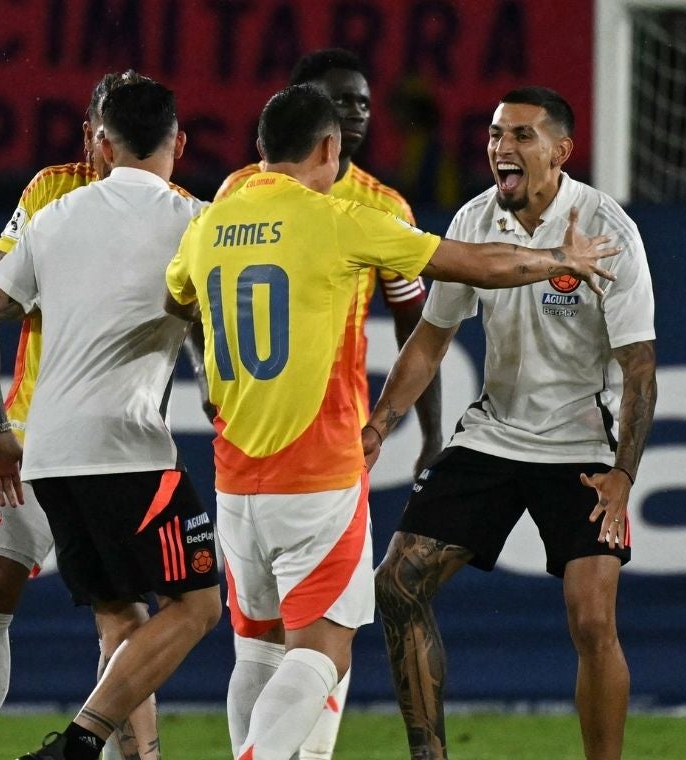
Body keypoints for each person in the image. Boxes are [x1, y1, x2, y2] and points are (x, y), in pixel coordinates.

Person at [163, 84, 619, 760]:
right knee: (325, 645)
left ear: (261, 151)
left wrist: (212, 380)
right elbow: (473, 265)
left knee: (257, 644)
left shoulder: (207, 225)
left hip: (234, 475)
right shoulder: (337, 217)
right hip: (315, 471)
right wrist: (562, 260)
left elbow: (180, 302)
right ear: (328, 149)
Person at [366, 87, 656, 760]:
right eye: (497, 133)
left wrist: (622, 476)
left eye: (522, 135)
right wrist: (381, 425)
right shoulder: (474, 219)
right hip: (493, 435)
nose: (502, 147)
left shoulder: (607, 229)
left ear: (560, 151)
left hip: (583, 442)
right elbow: (431, 340)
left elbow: (638, 367)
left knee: (592, 620)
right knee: (396, 585)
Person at [0, 78, 222, 760]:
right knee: (197, 606)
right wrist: (221, 397)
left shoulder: (56, 216)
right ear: (179, 143)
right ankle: (79, 742)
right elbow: (207, 328)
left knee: (120, 615)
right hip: (124, 445)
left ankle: (133, 755)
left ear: (104, 138)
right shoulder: (195, 219)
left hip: (47, 448)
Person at [213, 49, 443, 759]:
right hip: (307, 454)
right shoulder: (257, 194)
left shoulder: (376, 203)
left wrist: (423, 432)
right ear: (299, 110)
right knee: (317, 636)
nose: (355, 114)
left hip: (275, 451)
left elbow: (415, 326)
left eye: (365, 102)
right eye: (338, 101)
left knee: (282, 638)